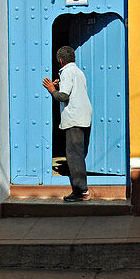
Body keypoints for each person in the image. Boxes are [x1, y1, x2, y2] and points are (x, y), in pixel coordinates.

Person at [42, 45, 93, 202]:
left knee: (73, 155)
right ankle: (81, 188)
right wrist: (58, 86)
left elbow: (63, 97)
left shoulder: (66, 72)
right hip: (83, 116)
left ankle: (81, 191)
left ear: (60, 60)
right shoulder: (78, 71)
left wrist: (52, 89)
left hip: (74, 118)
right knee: (79, 153)